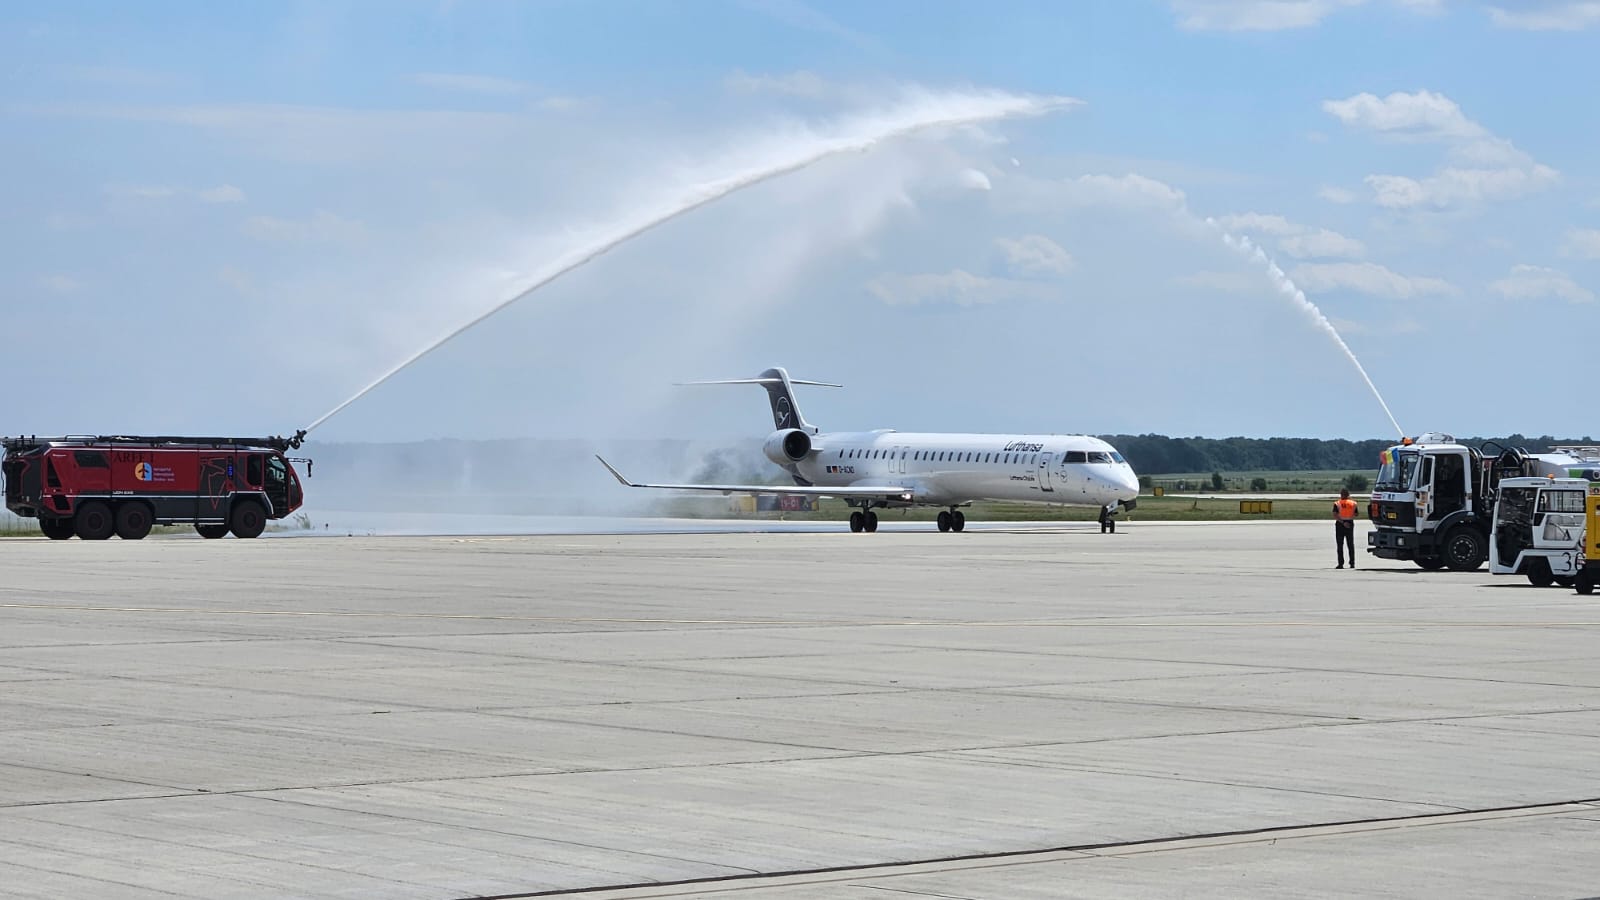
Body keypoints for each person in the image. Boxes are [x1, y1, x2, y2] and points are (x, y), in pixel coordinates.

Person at [1334, 488, 1358, 568]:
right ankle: (1352, 563)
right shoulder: (1353, 503)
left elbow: (1335, 514)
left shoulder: (1337, 503)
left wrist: (1343, 522)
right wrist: (1349, 518)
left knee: (1340, 545)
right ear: (1348, 495)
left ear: (1341, 495)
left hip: (1340, 524)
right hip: (1350, 523)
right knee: (1350, 544)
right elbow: (1356, 514)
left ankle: (1341, 564)